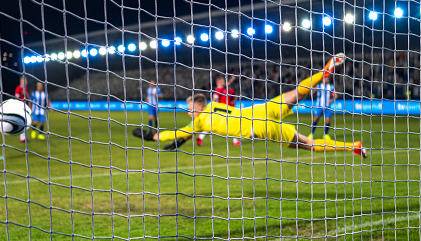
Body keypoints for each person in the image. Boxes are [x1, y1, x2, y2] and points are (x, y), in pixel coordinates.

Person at [133, 53, 367, 158]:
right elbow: (184, 133)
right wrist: (182, 141)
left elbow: (177, 132)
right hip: (258, 111)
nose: (188, 112)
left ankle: (352, 147)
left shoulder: (202, 120)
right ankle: (324, 72)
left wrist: (151, 137)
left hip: (260, 128)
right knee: (295, 94)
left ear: (198, 107)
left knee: (309, 144)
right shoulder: (213, 105)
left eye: (189, 108)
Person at [197, 75, 240, 146]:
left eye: (223, 82)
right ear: (218, 83)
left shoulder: (226, 90)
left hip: (228, 110)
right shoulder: (219, 89)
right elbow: (214, 99)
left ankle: (201, 136)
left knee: (231, 124)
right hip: (222, 110)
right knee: (233, 124)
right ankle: (235, 141)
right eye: (221, 82)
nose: (223, 83)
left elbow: (233, 96)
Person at [308, 76, 336, 141]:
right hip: (319, 106)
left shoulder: (331, 87)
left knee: (328, 121)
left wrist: (331, 100)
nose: (327, 79)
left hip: (327, 107)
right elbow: (311, 93)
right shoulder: (318, 86)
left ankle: (325, 134)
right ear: (323, 79)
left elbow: (335, 95)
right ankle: (311, 134)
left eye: (327, 78)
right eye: (325, 78)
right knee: (315, 120)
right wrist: (312, 91)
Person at [14, 76, 30, 143]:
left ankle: (24, 138)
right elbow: (16, 99)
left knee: (25, 122)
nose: (25, 82)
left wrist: (25, 93)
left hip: (25, 107)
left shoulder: (25, 88)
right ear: (21, 81)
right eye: (24, 80)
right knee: (22, 122)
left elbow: (28, 97)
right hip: (20, 107)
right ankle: (22, 138)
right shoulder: (18, 88)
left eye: (26, 81)